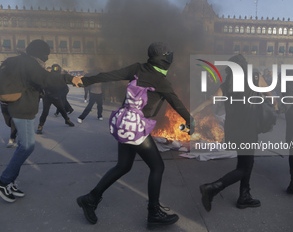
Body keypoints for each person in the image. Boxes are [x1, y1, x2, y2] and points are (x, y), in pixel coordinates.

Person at [75, 42, 194, 227]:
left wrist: (86, 80)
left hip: (124, 121)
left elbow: (110, 75)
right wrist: (190, 121)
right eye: (168, 54)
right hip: (136, 128)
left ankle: (90, 199)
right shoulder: (160, 80)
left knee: (123, 166)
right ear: (163, 58)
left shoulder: (138, 68)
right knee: (157, 167)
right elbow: (177, 104)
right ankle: (153, 213)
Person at [0, 39, 80, 203]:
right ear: (39, 54)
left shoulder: (17, 61)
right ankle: (4, 181)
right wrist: (70, 78)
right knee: (27, 146)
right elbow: (46, 79)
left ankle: (10, 180)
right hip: (21, 107)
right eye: (45, 55)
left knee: (24, 145)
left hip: (14, 106)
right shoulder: (30, 63)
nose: (47, 59)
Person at [192, 54, 274, 212]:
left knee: (244, 162)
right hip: (249, 127)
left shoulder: (227, 83)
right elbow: (270, 97)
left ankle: (244, 196)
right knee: (246, 166)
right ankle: (213, 188)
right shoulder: (255, 77)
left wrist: (191, 113)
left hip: (233, 128)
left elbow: (210, 100)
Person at [36, 64, 75, 134]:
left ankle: (40, 126)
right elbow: (65, 88)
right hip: (52, 96)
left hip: (49, 96)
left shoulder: (47, 76)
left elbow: (40, 85)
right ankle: (67, 120)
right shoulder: (59, 77)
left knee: (47, 112)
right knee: (61, 110)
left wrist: (41, 91)